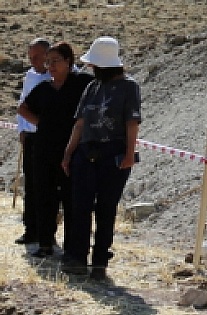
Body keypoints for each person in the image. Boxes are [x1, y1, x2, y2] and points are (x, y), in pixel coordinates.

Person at [61, 37, 142, 279]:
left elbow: (132, 122)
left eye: (96, 65)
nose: (92, 69)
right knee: (80, 207)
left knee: (106, 208)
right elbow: (80, 123)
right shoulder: (92, 88)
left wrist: (129, 154)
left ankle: (99, 261)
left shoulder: (129, 87)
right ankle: (77, 257)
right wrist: (68, 153)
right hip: (86, 153)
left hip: (113, 154)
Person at [18, 42, 90, 258]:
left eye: (55, 61)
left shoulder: (82, 83)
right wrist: (43, 124)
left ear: (68, 61)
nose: (50, 66)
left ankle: (72, 249)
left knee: (71, 199)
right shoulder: (43, 88)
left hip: (73, 151)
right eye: (48, 62)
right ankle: (45, 243)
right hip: (44, 151)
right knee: (44, 197)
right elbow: (22, 108)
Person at [15, 37, 53, 246]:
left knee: (48, 187)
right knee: (31, 187)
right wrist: (21, 129)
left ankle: (48, 234)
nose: (33, 61)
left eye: (37, 56)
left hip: (50, 138)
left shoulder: (57, 77)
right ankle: (30, 230)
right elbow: (22, 105)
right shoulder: (30, 76)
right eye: (30, 57)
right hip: (31, 137)